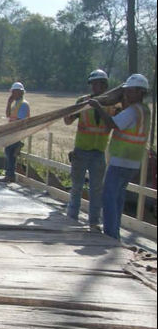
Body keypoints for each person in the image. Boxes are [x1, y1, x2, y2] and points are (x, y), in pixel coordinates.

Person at [87, 73, 151, 240]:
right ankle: (114, 231)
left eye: (131, 91)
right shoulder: (145, 110)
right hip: (134, 161)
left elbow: (112, 123)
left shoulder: (132, 111)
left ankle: (111, 234)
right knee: (118, 197)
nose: (127, 94)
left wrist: (98, 106)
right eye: (126, 91)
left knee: (109, 196)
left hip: (121, 160)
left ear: (140, 92)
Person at [63, 69, 111, 231]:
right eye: (94, 84)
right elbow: (68, 121)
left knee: (96, 190)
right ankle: (72, 218)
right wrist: (66, 112)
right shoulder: (83, 102)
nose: (97, 87)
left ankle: (93, 222)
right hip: (81, 151)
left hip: (98, 152)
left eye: (100, 84)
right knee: (76, 187)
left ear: (105, 85)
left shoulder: (111, 103)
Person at [1, 81, 30, 182]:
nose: (12, 94)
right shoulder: (16, 104)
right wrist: (9, 103)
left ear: (21, 92)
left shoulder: (23, 104)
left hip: (17, 133)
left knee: (10, 152)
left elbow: (20, 120)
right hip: (12, 132)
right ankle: (9, 174)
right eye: (12, 92)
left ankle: (10, 175)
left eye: (14, 92)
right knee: (8, 152)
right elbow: (8, 115)